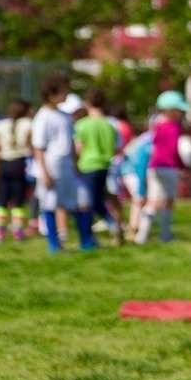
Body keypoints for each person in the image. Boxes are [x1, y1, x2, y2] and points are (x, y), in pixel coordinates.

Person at [32, 80, 94, 252]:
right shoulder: (43, 117)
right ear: (51, 95)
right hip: (52, 165)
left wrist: (75, 163)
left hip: (67, 165)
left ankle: (86, 240)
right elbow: (39, 147)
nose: (66, 95)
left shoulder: (64, 115)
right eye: (62, 92)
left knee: (82, 200)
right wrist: (44, 172)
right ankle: (54, 243)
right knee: (51, 203)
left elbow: (71, 143)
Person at [136, 91, 190, 244]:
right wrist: (183, 166)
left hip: (154, 167)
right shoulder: (173, 128)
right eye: (179, 110)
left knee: (152, 201)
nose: (181, 113)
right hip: (169, 168)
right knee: (168, 201)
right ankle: (165, 235)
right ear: (171, 110)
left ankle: (141, 236)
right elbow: (173, 151)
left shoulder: (157, 126)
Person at [75, 88, 123, 242]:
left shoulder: (82, 125)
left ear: (87, 104)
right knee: (101, 198)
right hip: (105, 165)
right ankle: (113, 225)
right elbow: (116, 148)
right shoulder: (110, 125)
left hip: (88, 166)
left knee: (89, 202)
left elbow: (78, 148)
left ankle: (106, 227)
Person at [0, 98, 34, 243]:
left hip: (3, 164)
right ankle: (18, 232)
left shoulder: (0, 124)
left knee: (1, 200)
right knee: (18, 200)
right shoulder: (28, 124)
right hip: (19, 164)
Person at [121, 118, 154, 239]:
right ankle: (133, 229)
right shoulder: (149, 140)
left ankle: (136, 228)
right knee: (139, 199)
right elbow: (141, 164)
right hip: (132, 172)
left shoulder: (146, 138)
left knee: (140, 200)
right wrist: (141, 184)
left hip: (131, 171)